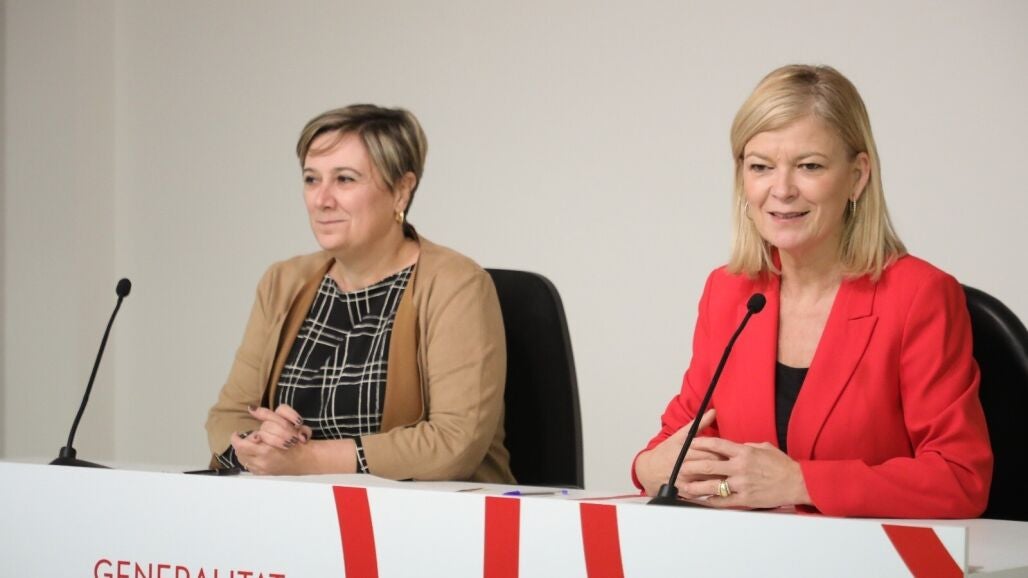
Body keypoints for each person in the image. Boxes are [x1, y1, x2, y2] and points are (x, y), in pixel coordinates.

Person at [632, 65, 992, 518]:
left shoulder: (919, 296)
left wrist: (800, 481)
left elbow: (960, 479)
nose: (782, 190)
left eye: (809, 166)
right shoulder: (728, 292)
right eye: (761, 167)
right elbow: (677, 440)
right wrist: (648, 468)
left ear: (857, 176)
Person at [206, 104, 514, 482]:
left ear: (401, 191)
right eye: (311, 179)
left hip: (426, 514)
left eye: (345, 179)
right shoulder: (282, 282)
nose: (321, 199)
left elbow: (453, 444)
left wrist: (309, 459)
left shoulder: (457, 284)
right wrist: (258, 445)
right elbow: (230, 415)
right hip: (297, 511)